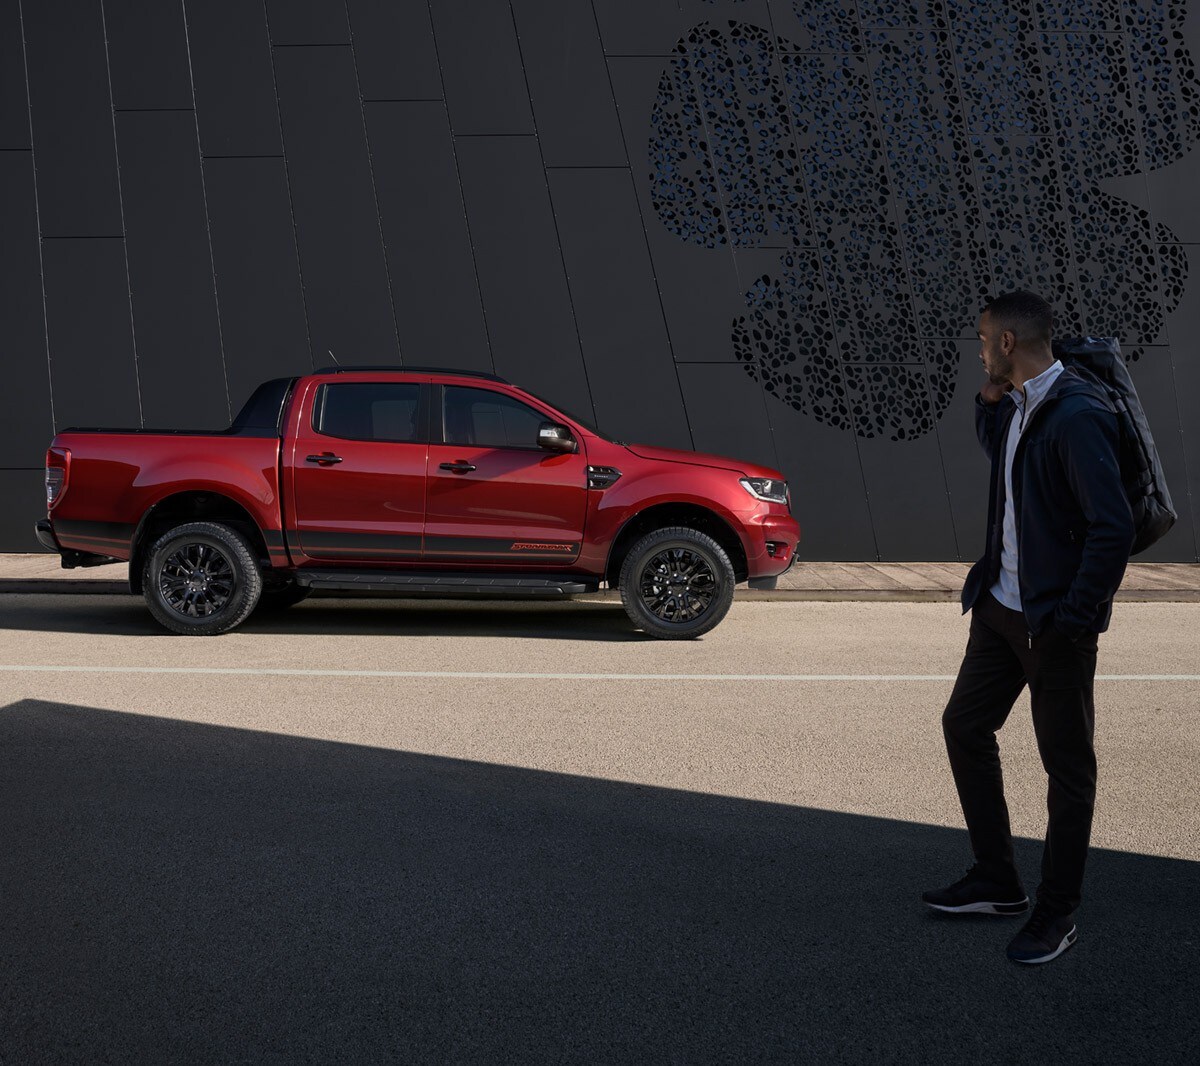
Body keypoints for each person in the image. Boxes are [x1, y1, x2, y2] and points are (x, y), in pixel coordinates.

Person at [922, 291, 1135, 964]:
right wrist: (989, 401)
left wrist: (1074, 619)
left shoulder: (1075, 415)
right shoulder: (1019, 406)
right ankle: (997, 879)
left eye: (984, 339)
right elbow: (1009, 467)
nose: (979, 349)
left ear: (1008, 343)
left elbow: (1114, 527)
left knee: (1066, 770)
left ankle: (1056, 912)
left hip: (1053, 625)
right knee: (965, 725)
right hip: (1001, 611)